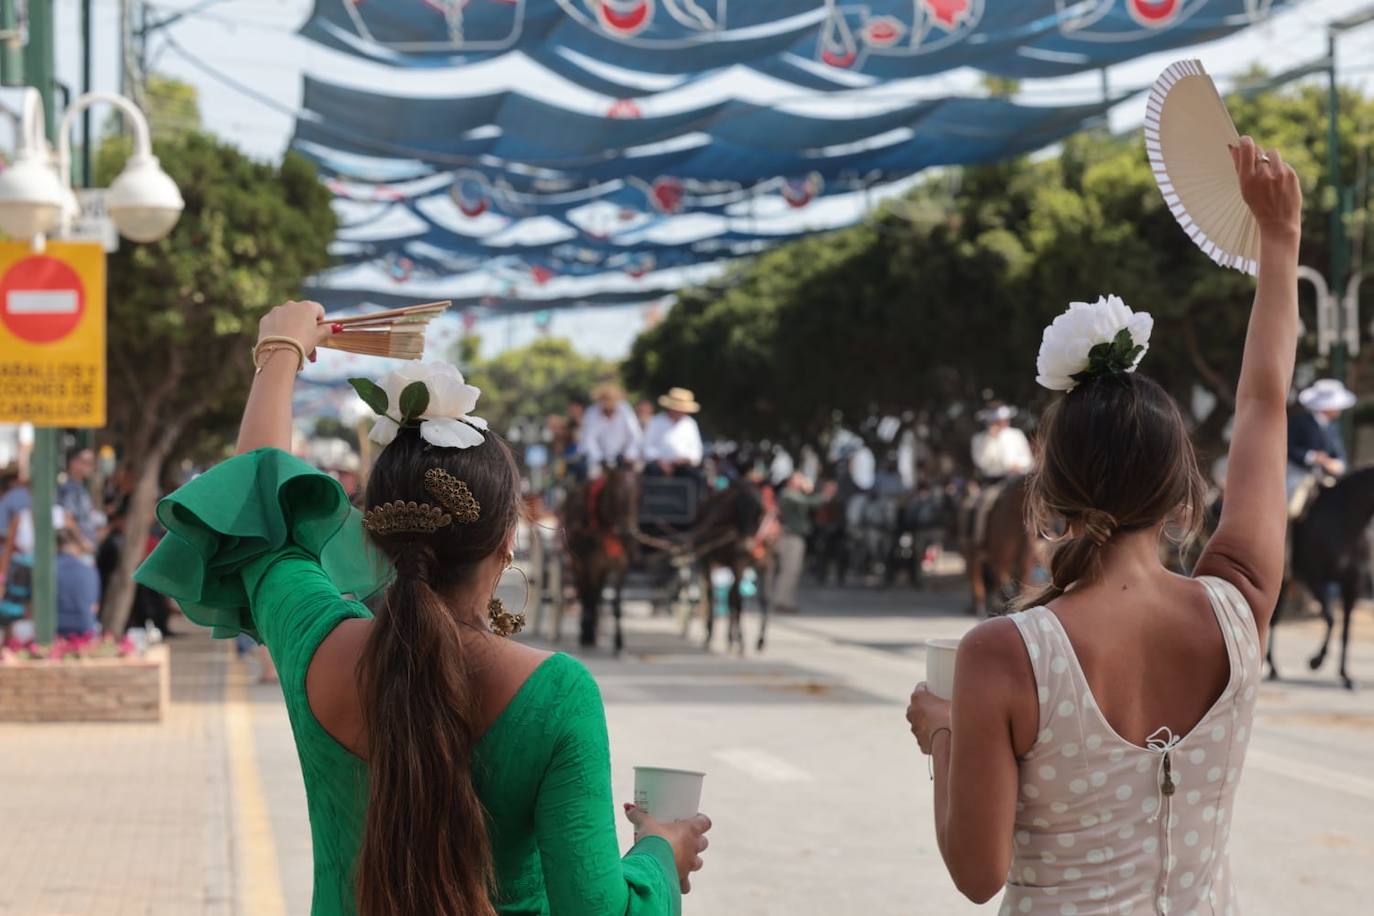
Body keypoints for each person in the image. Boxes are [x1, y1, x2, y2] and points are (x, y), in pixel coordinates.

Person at [136, 301, 710, 916]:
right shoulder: (556, 694)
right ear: (507, 540)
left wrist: (278, 350)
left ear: (375, 532)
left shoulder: (316, 645)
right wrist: (657, 853)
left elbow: (256, 511)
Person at [905, 137, 1300, 913]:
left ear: (1050, 493)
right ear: (1183, 493)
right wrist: (1280, 244)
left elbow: (976, 875)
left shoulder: (1004, 654)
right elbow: (1263, 404)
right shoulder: (1239, 605)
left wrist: (944, 735)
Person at [769, 473, 835, 615]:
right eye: (800, 479)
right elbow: (808, 503)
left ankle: (788, 601)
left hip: (796, 537)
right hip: (789, 538)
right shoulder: (789, 495)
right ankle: (782, 601)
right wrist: (825, 494)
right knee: (788, 571)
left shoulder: (795, 495)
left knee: (793, 571)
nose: (803, 482)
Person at [1286, 377, 1354, 514]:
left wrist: (1337, 464)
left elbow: (1339, 453)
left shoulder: (1333, 427)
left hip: (1324, 477)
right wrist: (1313, 457)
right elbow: (1289, 448)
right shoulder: (1300, 422)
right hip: (1299, 474)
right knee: (1293, 507)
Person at [580, 382, 642, 476]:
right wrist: (599, 458)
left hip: (623, 458)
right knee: (593, 478)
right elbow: (589, 439)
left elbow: (635, 435)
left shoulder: (626, 411)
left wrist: (629, 454)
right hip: (599, 460)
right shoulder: (591, 413)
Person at [642, 388, 704, 476]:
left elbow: (696, 451)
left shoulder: (690, 424)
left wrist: (685, 460)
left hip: (683, 466)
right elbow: (647, 447)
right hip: (658, 465)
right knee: (651, 471)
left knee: (696, 475)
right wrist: (661, 462)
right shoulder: (655, 422)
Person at [56, 528, 101, 638]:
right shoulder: (89, 570)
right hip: (85, 630)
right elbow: (94, 607)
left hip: (54, 631)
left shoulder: (45, 570)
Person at [57, 447, 100, 557]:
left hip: (86, 547)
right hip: (78, 551)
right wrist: (83, 543)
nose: (90, 467)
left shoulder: (81, 488)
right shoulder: (69, 489)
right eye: (86, 462)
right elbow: (68, 518)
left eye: (91, 463)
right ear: (73, 463)